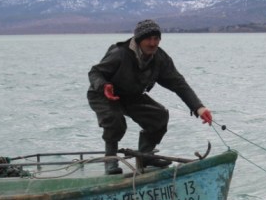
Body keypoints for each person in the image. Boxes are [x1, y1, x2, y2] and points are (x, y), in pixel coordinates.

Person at [87, 19, 213, 175]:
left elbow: (178, 83)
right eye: (148, 39)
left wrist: (198, 107)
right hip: (103, 94)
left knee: (159, 116)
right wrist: (103, 85)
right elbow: (95, 72)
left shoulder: (159, 58)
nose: (153, 43)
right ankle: (110, 159)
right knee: (115, 121)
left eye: (156, 39)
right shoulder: (120, 53)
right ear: (139, 40)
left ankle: (146, 156)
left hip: (131, 95)